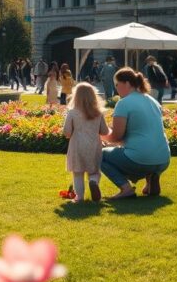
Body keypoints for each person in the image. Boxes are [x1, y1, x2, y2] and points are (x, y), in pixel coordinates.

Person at [100, 68, 170, 199]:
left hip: (140, 158)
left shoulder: (123, 103)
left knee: (99, 155)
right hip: (163, 159)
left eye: (117, 84)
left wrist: (100, 135)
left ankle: (126, 189)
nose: (116, 88)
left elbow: (116, 137)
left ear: (126, 83)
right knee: (137, 152)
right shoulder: (153, 101)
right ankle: (151, 178)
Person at [63, 83, 110, 203]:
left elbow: (67, 132)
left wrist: (71, 133)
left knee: (78, 173)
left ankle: (79, 197)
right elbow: (104, 131)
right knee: (94, 170)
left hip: (77, 146)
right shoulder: (98, 113)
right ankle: (93, 182)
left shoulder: (73, 112)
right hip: (94, 145)